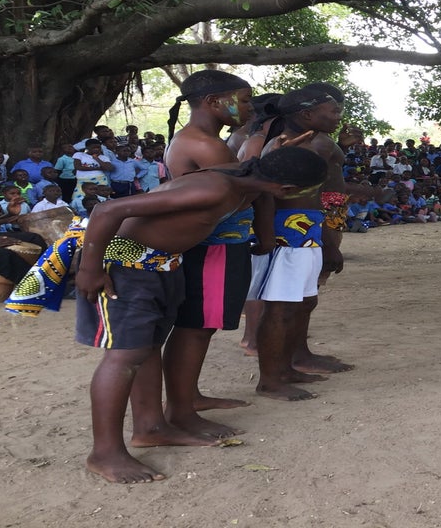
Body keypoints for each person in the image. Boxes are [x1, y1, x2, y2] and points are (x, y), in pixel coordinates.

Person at [73, 146, 326, 483]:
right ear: (288, 189)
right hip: (127, 265)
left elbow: (262, 199)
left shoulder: (247, 181)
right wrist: (89, 269)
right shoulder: (215, 188)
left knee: (148, 347)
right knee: (126, 355)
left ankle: (152, 427)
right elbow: (108, 210)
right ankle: (104, 453)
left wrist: (265, 238)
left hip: (163, 264)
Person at [162, 70, 268, 436]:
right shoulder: (205, 145)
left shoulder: (203, 140)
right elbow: (240, 194)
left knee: (199, 327)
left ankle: (189, 397)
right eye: (244, 100)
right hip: (213, 247)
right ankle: (181, 411)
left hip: (218, 244)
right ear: (212, 102)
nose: (249, 108)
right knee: (196, 327)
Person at [251, 82, 362, 401]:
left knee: (301, 301)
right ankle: (270, 380)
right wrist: (328, 243)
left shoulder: (308, 142)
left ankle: (288, 366)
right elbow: (268, 195)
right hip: (289, 232)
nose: (339, 116)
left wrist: (324, 239)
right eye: (334, 111)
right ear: (308, 114)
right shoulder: (291, 147)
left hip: (304, 229)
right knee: (280, 307)